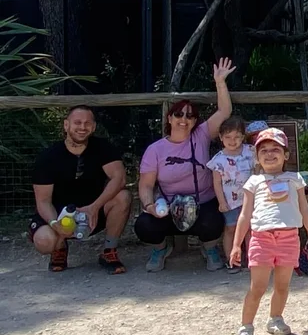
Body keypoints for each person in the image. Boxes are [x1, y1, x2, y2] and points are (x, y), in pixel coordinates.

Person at [135, 58, 236, 272]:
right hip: (169, 205)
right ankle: (160, 249)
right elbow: (145, 185)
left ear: (195, 122)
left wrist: (219, 82)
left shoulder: (201, 135)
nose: (184, 119)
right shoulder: (155, 150)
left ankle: (208, 248)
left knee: (215, 220)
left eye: (190, 116)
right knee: (144, 225)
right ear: (169, 118)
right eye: (179, 114)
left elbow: (225, 112)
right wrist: (149, 205)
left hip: (202, 203)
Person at [230, 127, 308, 335]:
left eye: (275, 150)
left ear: (286, 155)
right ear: (257, 156)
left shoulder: (295, 179)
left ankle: (275, 318)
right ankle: (246, 327)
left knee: (282, 286)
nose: (269, 154)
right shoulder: (253, 182)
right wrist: (236, 245)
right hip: (261, 240)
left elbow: (305, 210)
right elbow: (245, 215)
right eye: (264, 151)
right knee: (258, 287)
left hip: (289, 239)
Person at [29, 106, 131, 274]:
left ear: (94, 127)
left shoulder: (103, 147)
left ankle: (109, 252)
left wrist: (94, 207)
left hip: (92, 213)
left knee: (123, 197)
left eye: (87, 123)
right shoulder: (48, 157)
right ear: (66, 125)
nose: (82, 127)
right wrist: (56, 224)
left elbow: (119, 179)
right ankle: (59, 248)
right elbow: (43, 201)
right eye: (77, 123)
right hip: (59, 214)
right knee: (44, 242)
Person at [207, 116, 255, 275]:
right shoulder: (218, 160)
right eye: (228, 137)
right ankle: (231, 260)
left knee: (250, 229)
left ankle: (251, 259)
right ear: (221, 137)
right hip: (229, 201)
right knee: (230, 228)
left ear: (243, 136)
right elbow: (217, 183)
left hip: (251, 200)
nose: (232, 141)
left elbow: (259, 171)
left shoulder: (251, 151)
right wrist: (221, 202)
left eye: (236, 137)